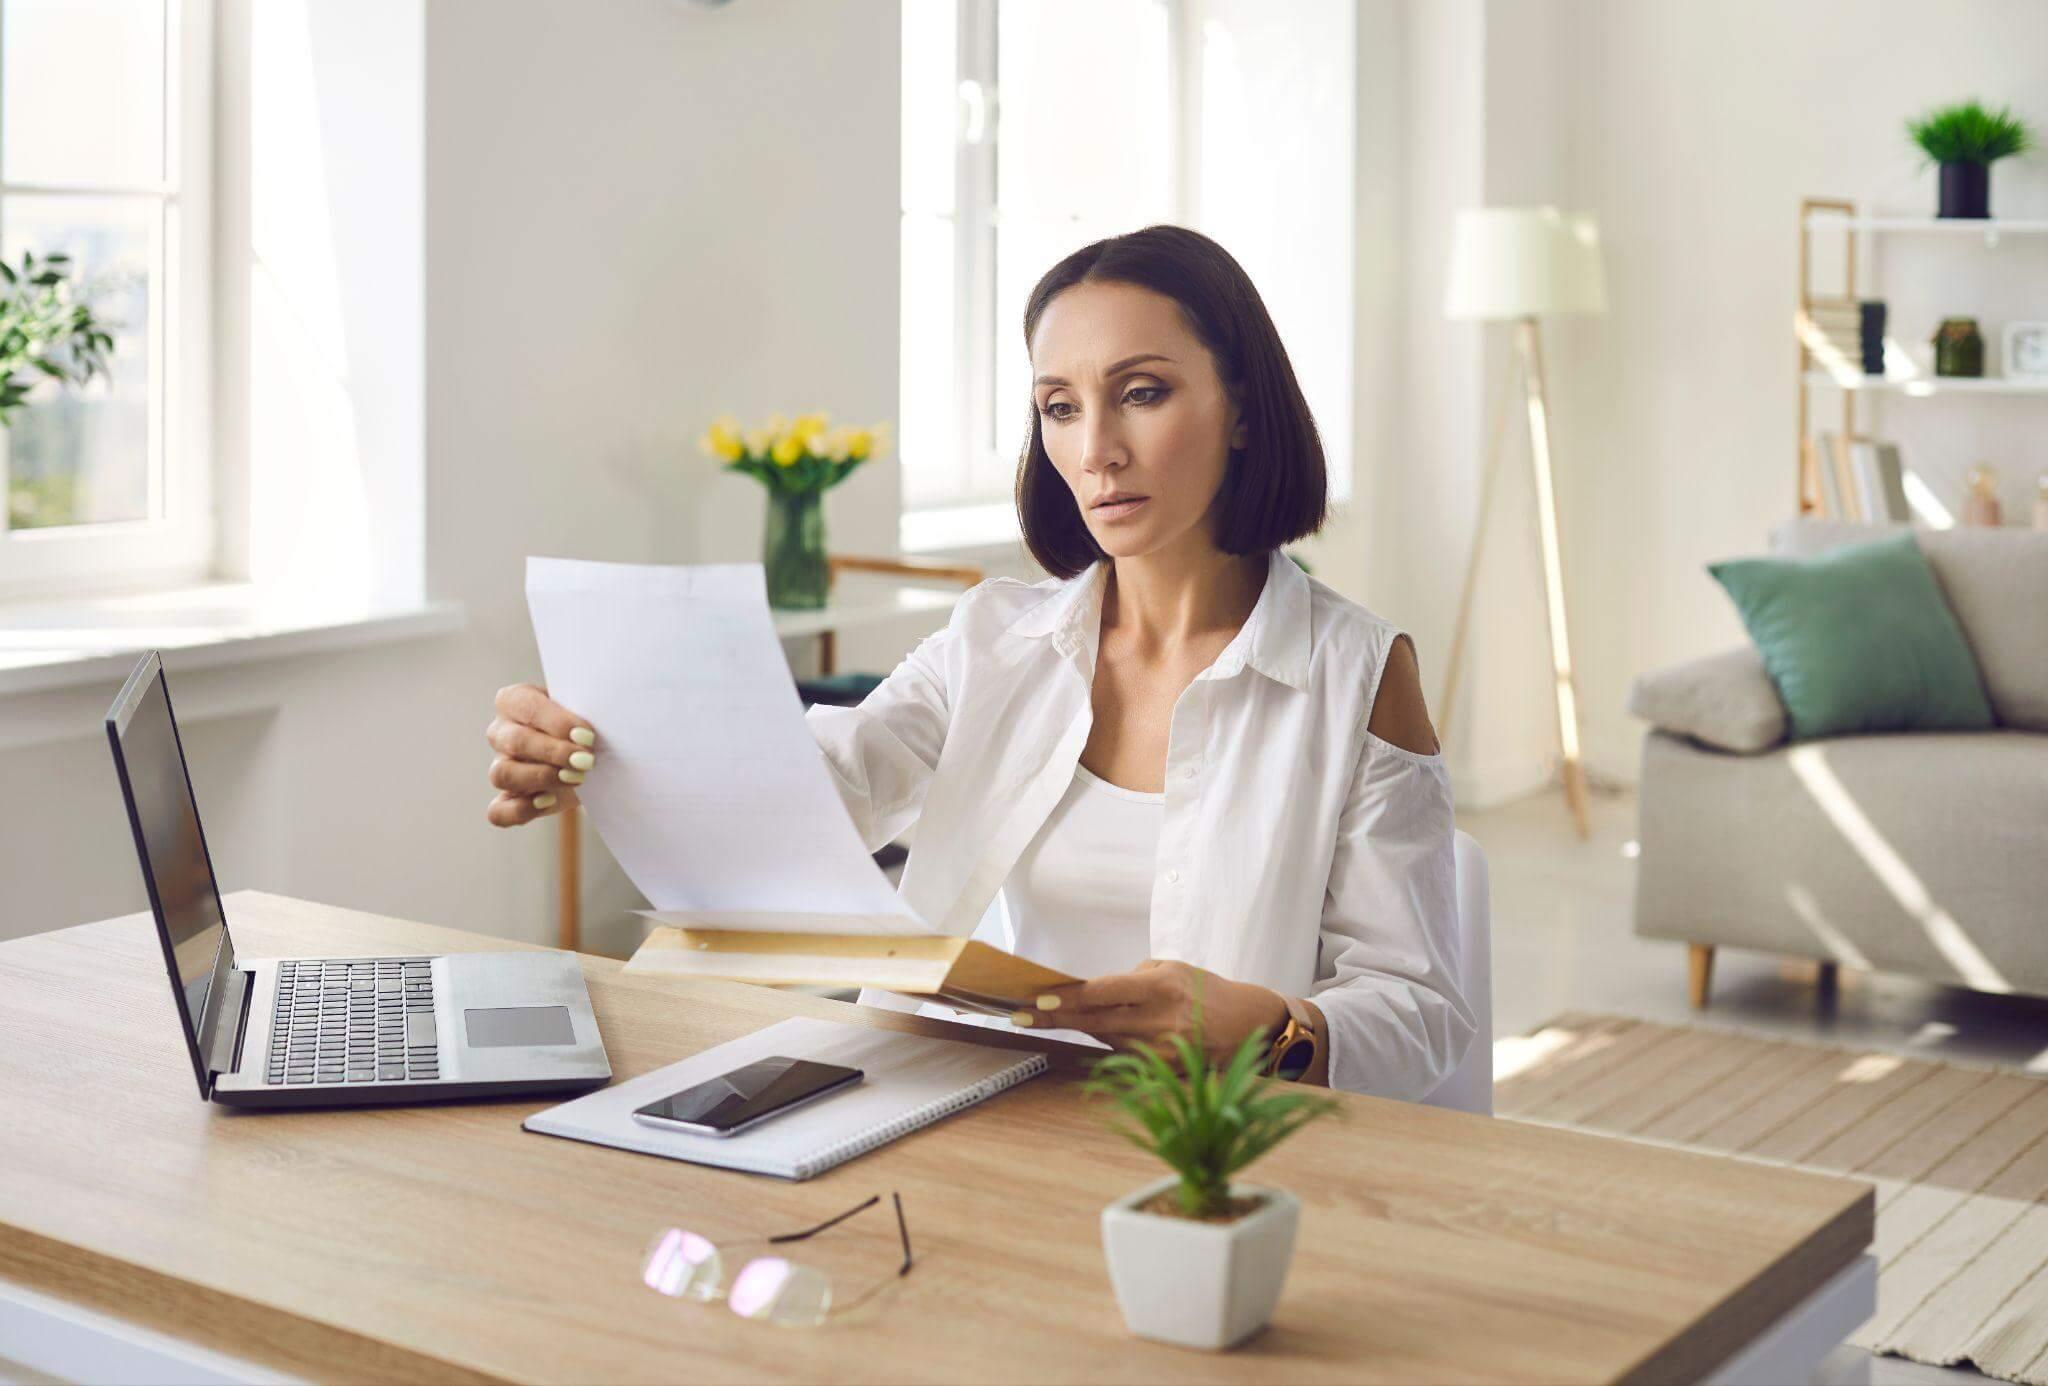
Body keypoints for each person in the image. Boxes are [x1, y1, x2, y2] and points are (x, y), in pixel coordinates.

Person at [483, 224, 1474, 1099]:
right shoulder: (991, 638)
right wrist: (603, 744)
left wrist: (1267, 1029)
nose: (1096, 450)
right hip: (960, 1101)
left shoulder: (1353, 670)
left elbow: (1419, 1009)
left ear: (1243, 408)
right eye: (1059, 406)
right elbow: (817, 791)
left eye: (1141, 393)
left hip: (1206, 1151)